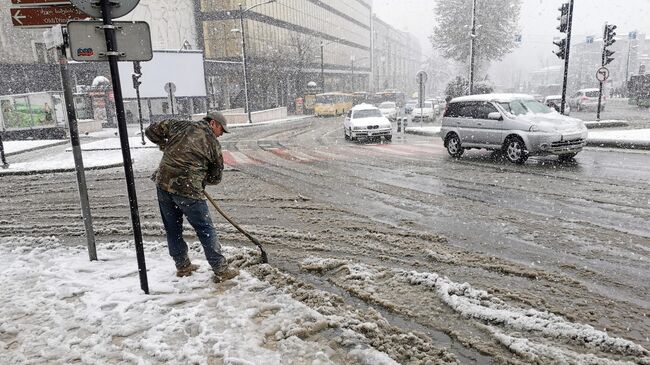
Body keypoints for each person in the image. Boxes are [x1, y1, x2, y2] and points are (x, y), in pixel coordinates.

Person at [145, 111, 239, 282]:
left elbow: (151, 131)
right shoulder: (213, 144)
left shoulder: (179, 125)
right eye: (221, 130)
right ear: (213, 124)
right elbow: (216, 177)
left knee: (172, 228)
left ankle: (182, 265)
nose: (221, 134)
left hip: (164, 184)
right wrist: (199, 177)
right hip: (189, 191)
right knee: (206, 229)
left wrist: (163, 143)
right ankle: (221, 269)